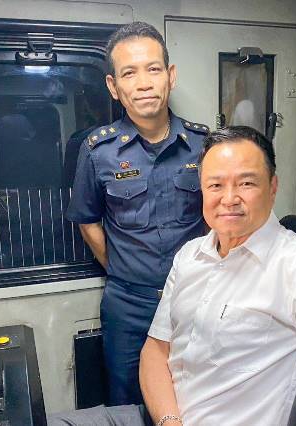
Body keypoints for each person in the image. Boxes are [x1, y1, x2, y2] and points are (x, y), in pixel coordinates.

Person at [139, 126, 296, 425]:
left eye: (246, 183)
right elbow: (156, 349)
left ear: (272, 187)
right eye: (215, 185)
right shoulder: (189, 256)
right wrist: (169, 421)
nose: (229, 198)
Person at [65, 21, 208, 407]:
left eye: (153, 69)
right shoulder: (98, 151)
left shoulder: (203, 145)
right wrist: (121, 269)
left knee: (196, 397)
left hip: (194, 298)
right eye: (129, 73)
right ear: (114, 87)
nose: (143, 83)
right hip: (128, 305)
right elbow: (87, 221)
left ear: (170, 76)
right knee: (127, 401)